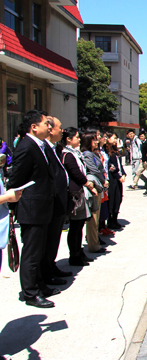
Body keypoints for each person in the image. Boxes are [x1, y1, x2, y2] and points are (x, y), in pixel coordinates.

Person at [7, 110, 58, 308]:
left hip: (42, 208)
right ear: (34, 127)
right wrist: (13, 205)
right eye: (46, 123)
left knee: (40, 251)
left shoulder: (40, 145)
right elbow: (16, 180)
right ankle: (30, 293)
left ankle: (40, 285)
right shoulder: (26, 146)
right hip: (32, 208)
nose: (49, 127)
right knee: (32, 253)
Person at [40, 117, 72, 287]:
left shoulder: (54, 148)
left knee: (54, 240)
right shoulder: (43, 148)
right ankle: (47, 273)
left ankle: (51, 266)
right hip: (51, 203)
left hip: (59, 201)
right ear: (50, 130)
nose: (62, 131)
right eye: (60, 128)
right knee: (48, 241)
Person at [60, 127, 97, 266]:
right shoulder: (68, 155)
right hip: (75, 195)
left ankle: (79, 252)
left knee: (80, 225)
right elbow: (75, 173)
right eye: (76, 137)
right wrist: (87, 183)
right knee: (75, 227)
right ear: (68, 139)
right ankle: (74, 255)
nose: (79, 139)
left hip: (80, 192)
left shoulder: (76, 153)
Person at [81, 132, 108, 254]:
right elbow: (94, 170)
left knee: (96, 217)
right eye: (94, 140)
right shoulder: (87, 154)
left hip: (98, 184)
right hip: (94, 186)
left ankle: (94, 240)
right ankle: (93, 244)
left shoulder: (94, 153)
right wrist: (103, 180)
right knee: (93, 218)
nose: (96, 142)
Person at [107, 133, 126, 229]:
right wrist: (118, 176)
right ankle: (110, 221)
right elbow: (111, 166)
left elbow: (119, 165)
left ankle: (115, 219)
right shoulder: (107, 151)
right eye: (114, 138)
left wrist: (123, 174)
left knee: (118, 199)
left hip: (118, 178)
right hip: (113, 179)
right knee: (112, 199)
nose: (115, 140)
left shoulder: (115, 150)